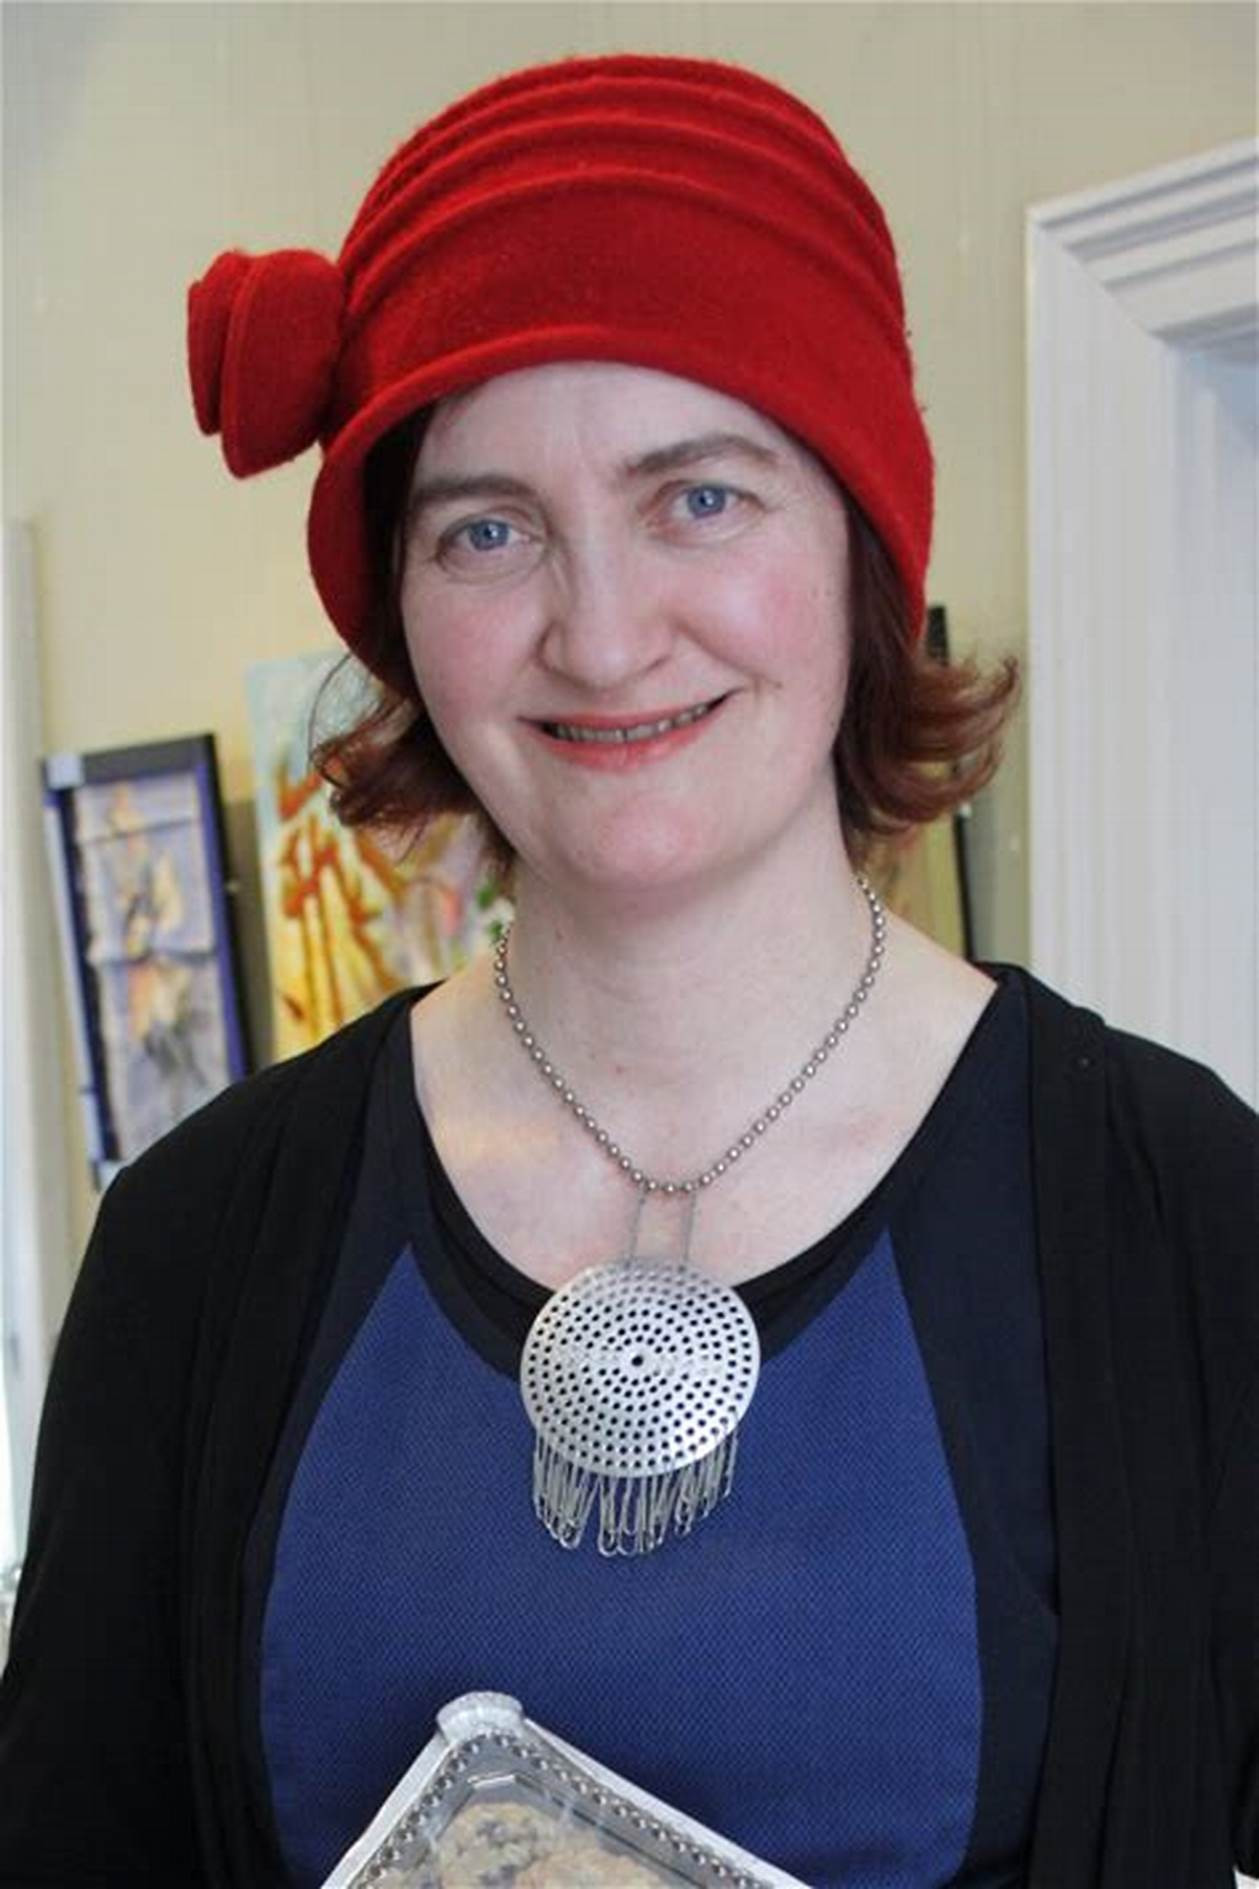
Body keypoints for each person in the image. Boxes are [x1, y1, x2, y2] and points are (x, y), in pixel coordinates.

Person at [0, 51, 1255, 1889]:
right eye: (487, 529)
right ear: (399, 606)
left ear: (861, 540)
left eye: (701, 498)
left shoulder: (1182, 1214)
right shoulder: (198, 1251)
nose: (599, 634)